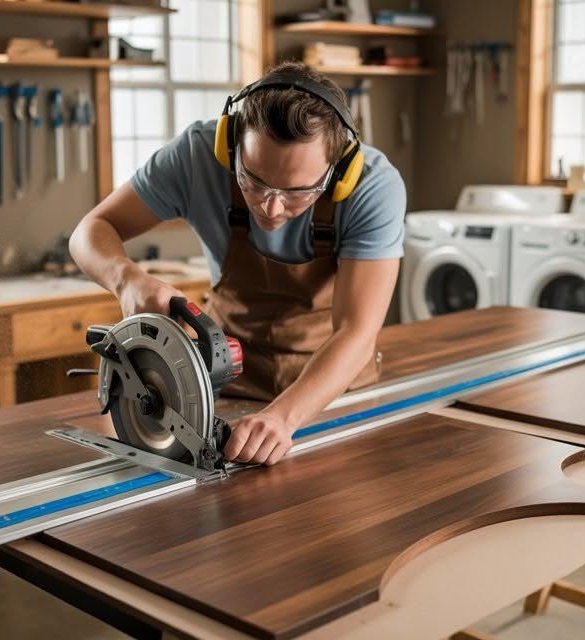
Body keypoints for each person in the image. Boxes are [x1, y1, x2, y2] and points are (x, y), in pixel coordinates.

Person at [71, 61, 404, 467]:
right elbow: (90, 231)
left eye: (298, 193)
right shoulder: (197, 155)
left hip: (327, 394)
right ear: (229, 146)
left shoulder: (372, 186)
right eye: (254, 180)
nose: (272, 207)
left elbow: (356, 333)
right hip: (224, 384)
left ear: (340, 172)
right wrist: (127, 280)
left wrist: (282, 417)